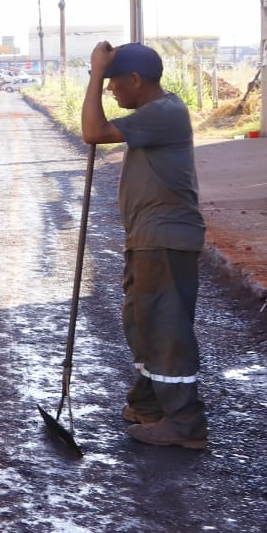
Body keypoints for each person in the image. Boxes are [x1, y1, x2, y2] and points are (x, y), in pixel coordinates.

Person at [81, 41, 208, 450]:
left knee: (166, 330)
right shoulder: (156, 113)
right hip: (150, 240)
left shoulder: (164, 113)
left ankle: (185, 425)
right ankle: (147, 403)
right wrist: (101, 75)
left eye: (113, 84)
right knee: (144, 323)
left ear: (135, 79)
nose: (111, 91)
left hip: (165, 240)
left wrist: (95, 71)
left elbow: (93, 132)